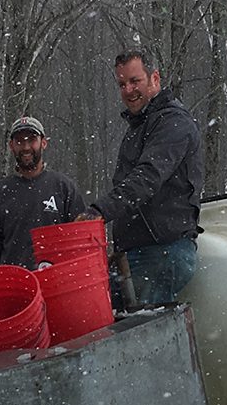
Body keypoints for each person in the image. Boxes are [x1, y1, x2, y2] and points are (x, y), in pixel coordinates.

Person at [86, 49, 204, 306]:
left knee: (144, 336)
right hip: (139, 253)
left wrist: (100, 211)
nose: (128, 90)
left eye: (135, 81)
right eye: (122, 84)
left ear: (155, 79)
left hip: (162, 250)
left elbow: (148, 176)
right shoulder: (141, 126)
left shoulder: (173, 122)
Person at [0, 115, 87, 269]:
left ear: (44, 143)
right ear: (11, 146)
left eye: (31, 140)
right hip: (14, 286)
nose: (26, 147)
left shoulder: (64, 188)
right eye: (20, 141)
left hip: (58, 284)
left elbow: (81, 245)